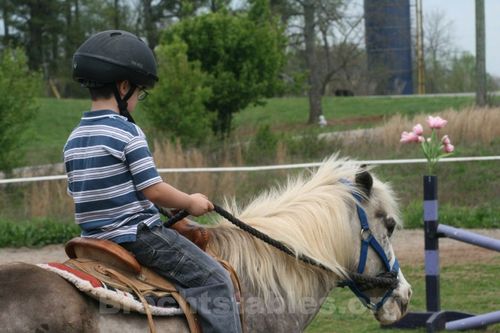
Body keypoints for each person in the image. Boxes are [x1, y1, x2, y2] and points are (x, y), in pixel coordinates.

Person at [64, 30, 242, 333]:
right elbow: (154, 189)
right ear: (123, 87)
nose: (136, 100)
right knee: (215, 281)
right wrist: (190, 202)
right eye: (138, 93)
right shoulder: (127, 132)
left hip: (92, 239)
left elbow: (92, 191)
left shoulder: (74, 138)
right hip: (136, 236)